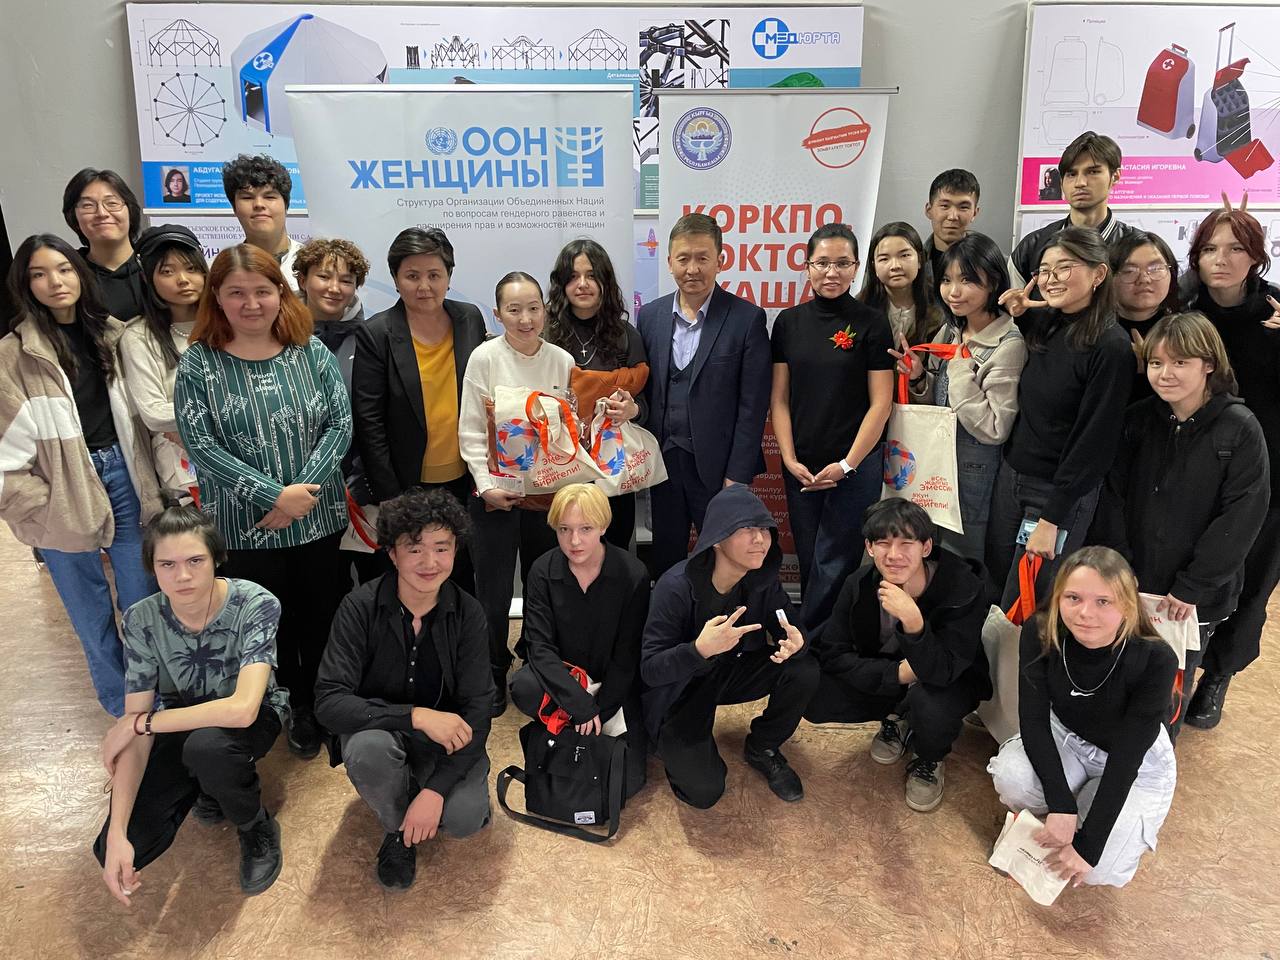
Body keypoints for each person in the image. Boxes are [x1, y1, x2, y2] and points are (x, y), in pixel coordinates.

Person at [174, 243, 352, 759]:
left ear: (281, 292)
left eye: (262, 291)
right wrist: (274, 496)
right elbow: (201, 445)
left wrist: (300, 494)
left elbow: (340, 425)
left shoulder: (310, 352)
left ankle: (328, 703)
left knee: (323, 617)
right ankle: (291, 706)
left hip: (317, 519)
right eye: (236, 293)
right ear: (217, 298)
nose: (251, 304)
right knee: (268, 624)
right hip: (245, 526)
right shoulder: (199, 364)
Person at [0, 235, 162, 716]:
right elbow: (5, 454)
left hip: (125, 477)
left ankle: (154, 701)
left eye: (65, 269)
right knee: (90, 613)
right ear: (25, 285)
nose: (55, 282)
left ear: (80, 274)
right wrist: (36, 505)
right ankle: (123, 709)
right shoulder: (12, 355)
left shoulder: (114, 335)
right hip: (61, 489)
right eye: (39, 274)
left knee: (142, 602)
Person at [93, 506, 287, 902]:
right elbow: (136, 732)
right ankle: (207, 785)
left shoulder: (256, 603)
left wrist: (140, 723)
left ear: (216, 558)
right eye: (167, 564)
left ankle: (254, 824)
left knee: (208, 748)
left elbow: (243, 709)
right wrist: (116, 832)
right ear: (152, 568)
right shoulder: (141, 619)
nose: (182, 576)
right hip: (181, 718)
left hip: (254, 715)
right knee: (122, 846)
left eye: (195, 561)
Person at [1097, 311, 1268, 739]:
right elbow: (1113, 496)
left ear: (1209, 364)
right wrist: (1120, 566)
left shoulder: (1240, 429)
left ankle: (1152, 765)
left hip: (1190, 599)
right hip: (1133, 583)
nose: (1165, 373)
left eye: (1180, 362)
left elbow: (1242, 517)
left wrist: (1193, 586)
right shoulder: (1139, 419)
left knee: (1167, 694)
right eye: (1156, 362)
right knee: (1117, 679)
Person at [315, 487, 493, 890]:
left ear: (455, 551)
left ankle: (420, 787)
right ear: (392, 554)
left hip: (444, 740)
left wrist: (435, 792)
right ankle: (397, 831)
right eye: (414, 549)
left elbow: (479, 710)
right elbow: (329, 703)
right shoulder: (359, 607)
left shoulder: (468, 613)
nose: (430, 562)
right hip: (380, 731)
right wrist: (415, 716)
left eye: (442, 548)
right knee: (366, 750)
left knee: (465, 820)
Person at [988, 547, 1178, 888]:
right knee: (1012, 776)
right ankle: (1064, 810)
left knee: (1098, 869)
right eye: (1073, 598)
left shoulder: (1156, 658)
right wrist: (1060, 804)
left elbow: (1126, 760)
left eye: (1103, 601)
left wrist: (1089, 846)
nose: (1085, 613)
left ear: (1128, 604)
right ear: (1058, 597)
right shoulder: (1041, 631)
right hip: (1067, 735)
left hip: (1134, 761)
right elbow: (1033, 720)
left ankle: (1083, 813)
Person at [805, 500, 990, 812]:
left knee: (930, 705)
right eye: (883, 543)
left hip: (948, 679)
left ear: (926, 547)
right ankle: (896, 717)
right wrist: (896, 675)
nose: (894, 555)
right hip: (894, 672)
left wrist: (914, 624)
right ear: (869, 547)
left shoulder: (962, 586)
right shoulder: (859, 583)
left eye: (906, 543)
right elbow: (833, 653)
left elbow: (946, 670)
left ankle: (929, 757)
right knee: (813, 689)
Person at [641, 484, 818, 808]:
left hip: (732, 670)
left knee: (803, 669)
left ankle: (763, 747)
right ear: (717, 537)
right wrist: (698, 650)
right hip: (684, 687)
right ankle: (674, 745)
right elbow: (650, 670)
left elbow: (790, 626)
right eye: (746, 529)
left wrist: (797, 643)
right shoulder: (675, 587)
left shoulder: (762, 578)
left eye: (764, 529)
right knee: (704, 792)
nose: (760, 539)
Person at [1177, 204, 1280, 726]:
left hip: (1269, 473)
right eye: (1211, 248)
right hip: (1198, 469)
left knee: (1253, 582)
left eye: (1236, 248)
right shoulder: (1184, 310)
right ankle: (1179, 665)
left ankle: (1218, 675)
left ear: (1255, 256)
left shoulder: (1276, 311)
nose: (1222, 259)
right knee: (1196, 571)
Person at [990, 227, 1131, 606]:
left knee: (1027, 603)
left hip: (1056, 494)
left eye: (1064, 268)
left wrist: (1052, 518)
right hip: (1012, 477)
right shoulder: (1048, 324)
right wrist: (1020, 314)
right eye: (1045, 271)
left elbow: (1094, 443)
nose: (1051, 279)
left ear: (1098, 274)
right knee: (997, 586)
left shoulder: (1111, 346)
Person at [458, 271, 573, 715]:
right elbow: (471, 429)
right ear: (497, 313)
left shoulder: (561, 360)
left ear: (545, 310)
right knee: (492, 591)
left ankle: (537, 662)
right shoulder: (484, 358)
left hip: (547, 497)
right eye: (514, 309)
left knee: (545, 586)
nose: (525, 319)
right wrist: (485, 486)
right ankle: (491, 668)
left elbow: (569, 430)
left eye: (533, 308)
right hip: (494, 497)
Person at [770, 223, 892, 631]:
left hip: (854, 466)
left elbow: (881, 404)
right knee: (809, 558)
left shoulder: (872, 322)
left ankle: (813, 641)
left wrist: (847, 464)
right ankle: (818, 642)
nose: (831, 272)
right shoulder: (788, 323)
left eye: (842, 263)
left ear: (856, 267)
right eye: (822, 263)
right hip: (802, 466)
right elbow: (779, 399)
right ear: (807, 266)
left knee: (837, 562)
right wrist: (789, 458)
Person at [637, 213, 770, 577]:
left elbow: (753, 406)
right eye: (683, 259)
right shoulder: (650, 316)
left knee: (723, 560)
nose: (692, 269)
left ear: (720, 260)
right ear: (669, 262)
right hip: (664, 464)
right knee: (666, 556)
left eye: (702, 258)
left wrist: (737, 476)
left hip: (719, 469)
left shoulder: (746, 319)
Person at [352, 228, 485, 589]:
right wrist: (391, 498)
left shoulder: (469, 319)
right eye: (412, 276)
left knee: (459, 575)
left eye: (434, 275)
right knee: (411, 578)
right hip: (405, 483)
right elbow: (369, 421)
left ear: (449, 277)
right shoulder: (377, 333)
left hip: (463, 478)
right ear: (396, 279)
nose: (424, 286)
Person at [508, 484, 650, 792]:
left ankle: (572, 726)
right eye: (564, 529)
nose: (574, 541)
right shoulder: (542, 571)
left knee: (629, 781)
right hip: (567, 679)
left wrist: (601, 709)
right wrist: (579, 705)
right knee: (524, 686)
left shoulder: (632, 573)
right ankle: (566, 725)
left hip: (613, 681)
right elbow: (540, 648)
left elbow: (628, 653)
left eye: (585, 529)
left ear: (603, 526)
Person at [901, 232, 1027, 561]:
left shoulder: (1008, 344)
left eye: (967, 280)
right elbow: (940, 406)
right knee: (929, 554)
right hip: (937, 467)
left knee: (965, 561)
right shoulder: (951, 331)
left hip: (975, 473)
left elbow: (995, 428)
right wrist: (919, 378)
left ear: (993, 282)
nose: (953, 291)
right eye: (946, 280)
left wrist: (958, 370)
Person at [545, 238, 648, 549]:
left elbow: (647, 404)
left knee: (614, 550)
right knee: (563, 550)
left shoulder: (626, 336)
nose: (582, 284)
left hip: (613, 470)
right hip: (559, 467)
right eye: (573, 276)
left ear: (605, 281)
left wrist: (633, 411)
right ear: (561, 284)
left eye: (591, 275)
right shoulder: (544, 334)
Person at [293, 237, 375, 579]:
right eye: (324, 276)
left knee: (376, 581)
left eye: (346, 280)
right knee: (320, 586)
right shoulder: (279, 338)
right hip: (303, 489)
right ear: (302, 280)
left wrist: (362, 480)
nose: (334, 288)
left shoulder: (371, 337)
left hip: (362, 488)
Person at [119, 225, 207, 503]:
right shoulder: (138, 336)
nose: (183, 280)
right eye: (167, 272)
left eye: (192, 269)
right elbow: (154, 414)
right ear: (148, 278)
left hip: (248, 464)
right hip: (186, 480)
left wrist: (185, 418)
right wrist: (229, 409)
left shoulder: (228, 323)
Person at [1009, 132, 1137, 290]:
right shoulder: (1031, 247)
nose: (1080, 183)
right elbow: (1012, 301)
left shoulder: (1136, 247)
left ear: (1115, 176)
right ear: (1061, 182)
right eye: (1071, 174)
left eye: (1093, 172)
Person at [61, 168, 147, 321]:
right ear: (73, 217)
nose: (101, 213)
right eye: (88, 205)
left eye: (112, 203)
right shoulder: (67, 273)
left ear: (130, 211)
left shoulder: (157, 265)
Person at [1109, 231, 1181, 404]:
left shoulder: (1188, 331)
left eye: (1155, 269)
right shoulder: (1096, 333)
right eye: (1129, 271)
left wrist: (1152, 365)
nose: (1144, 279)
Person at [221, 154, 303, 289]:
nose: (259, 204)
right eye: (247, 198)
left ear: (286, 205)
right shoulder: (221, 271)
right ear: (234, 208)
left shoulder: (315, 266)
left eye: (269, 197)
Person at [858, 222, 943, 347]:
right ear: (873, 266)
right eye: (884, 259)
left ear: (920, 259)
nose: (895, 266)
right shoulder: (859, 308)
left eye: (904, 255)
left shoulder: (941, 307)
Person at [922, 168, 981, 287]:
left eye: (963, 207)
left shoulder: (990, 262)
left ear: (974, 213)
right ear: (929, 210)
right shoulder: (914, 262)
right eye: (944, 206)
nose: (953, 216)